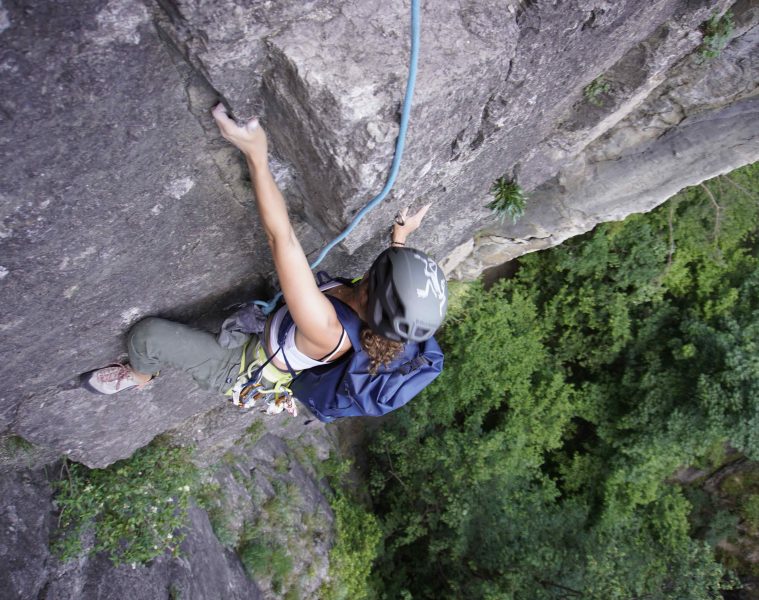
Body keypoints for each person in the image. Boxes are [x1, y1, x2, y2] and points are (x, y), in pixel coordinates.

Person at [81, 104, 447, 416]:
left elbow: (282, 240)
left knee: (148, 337)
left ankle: (141, 377)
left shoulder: (326, 327)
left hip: (238, 369)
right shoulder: (374, 308)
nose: (377, 266)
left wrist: (256, 154)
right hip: (267, 334)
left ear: (373, 293)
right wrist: (400, 236)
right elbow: (388, 283)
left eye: (381, 270)